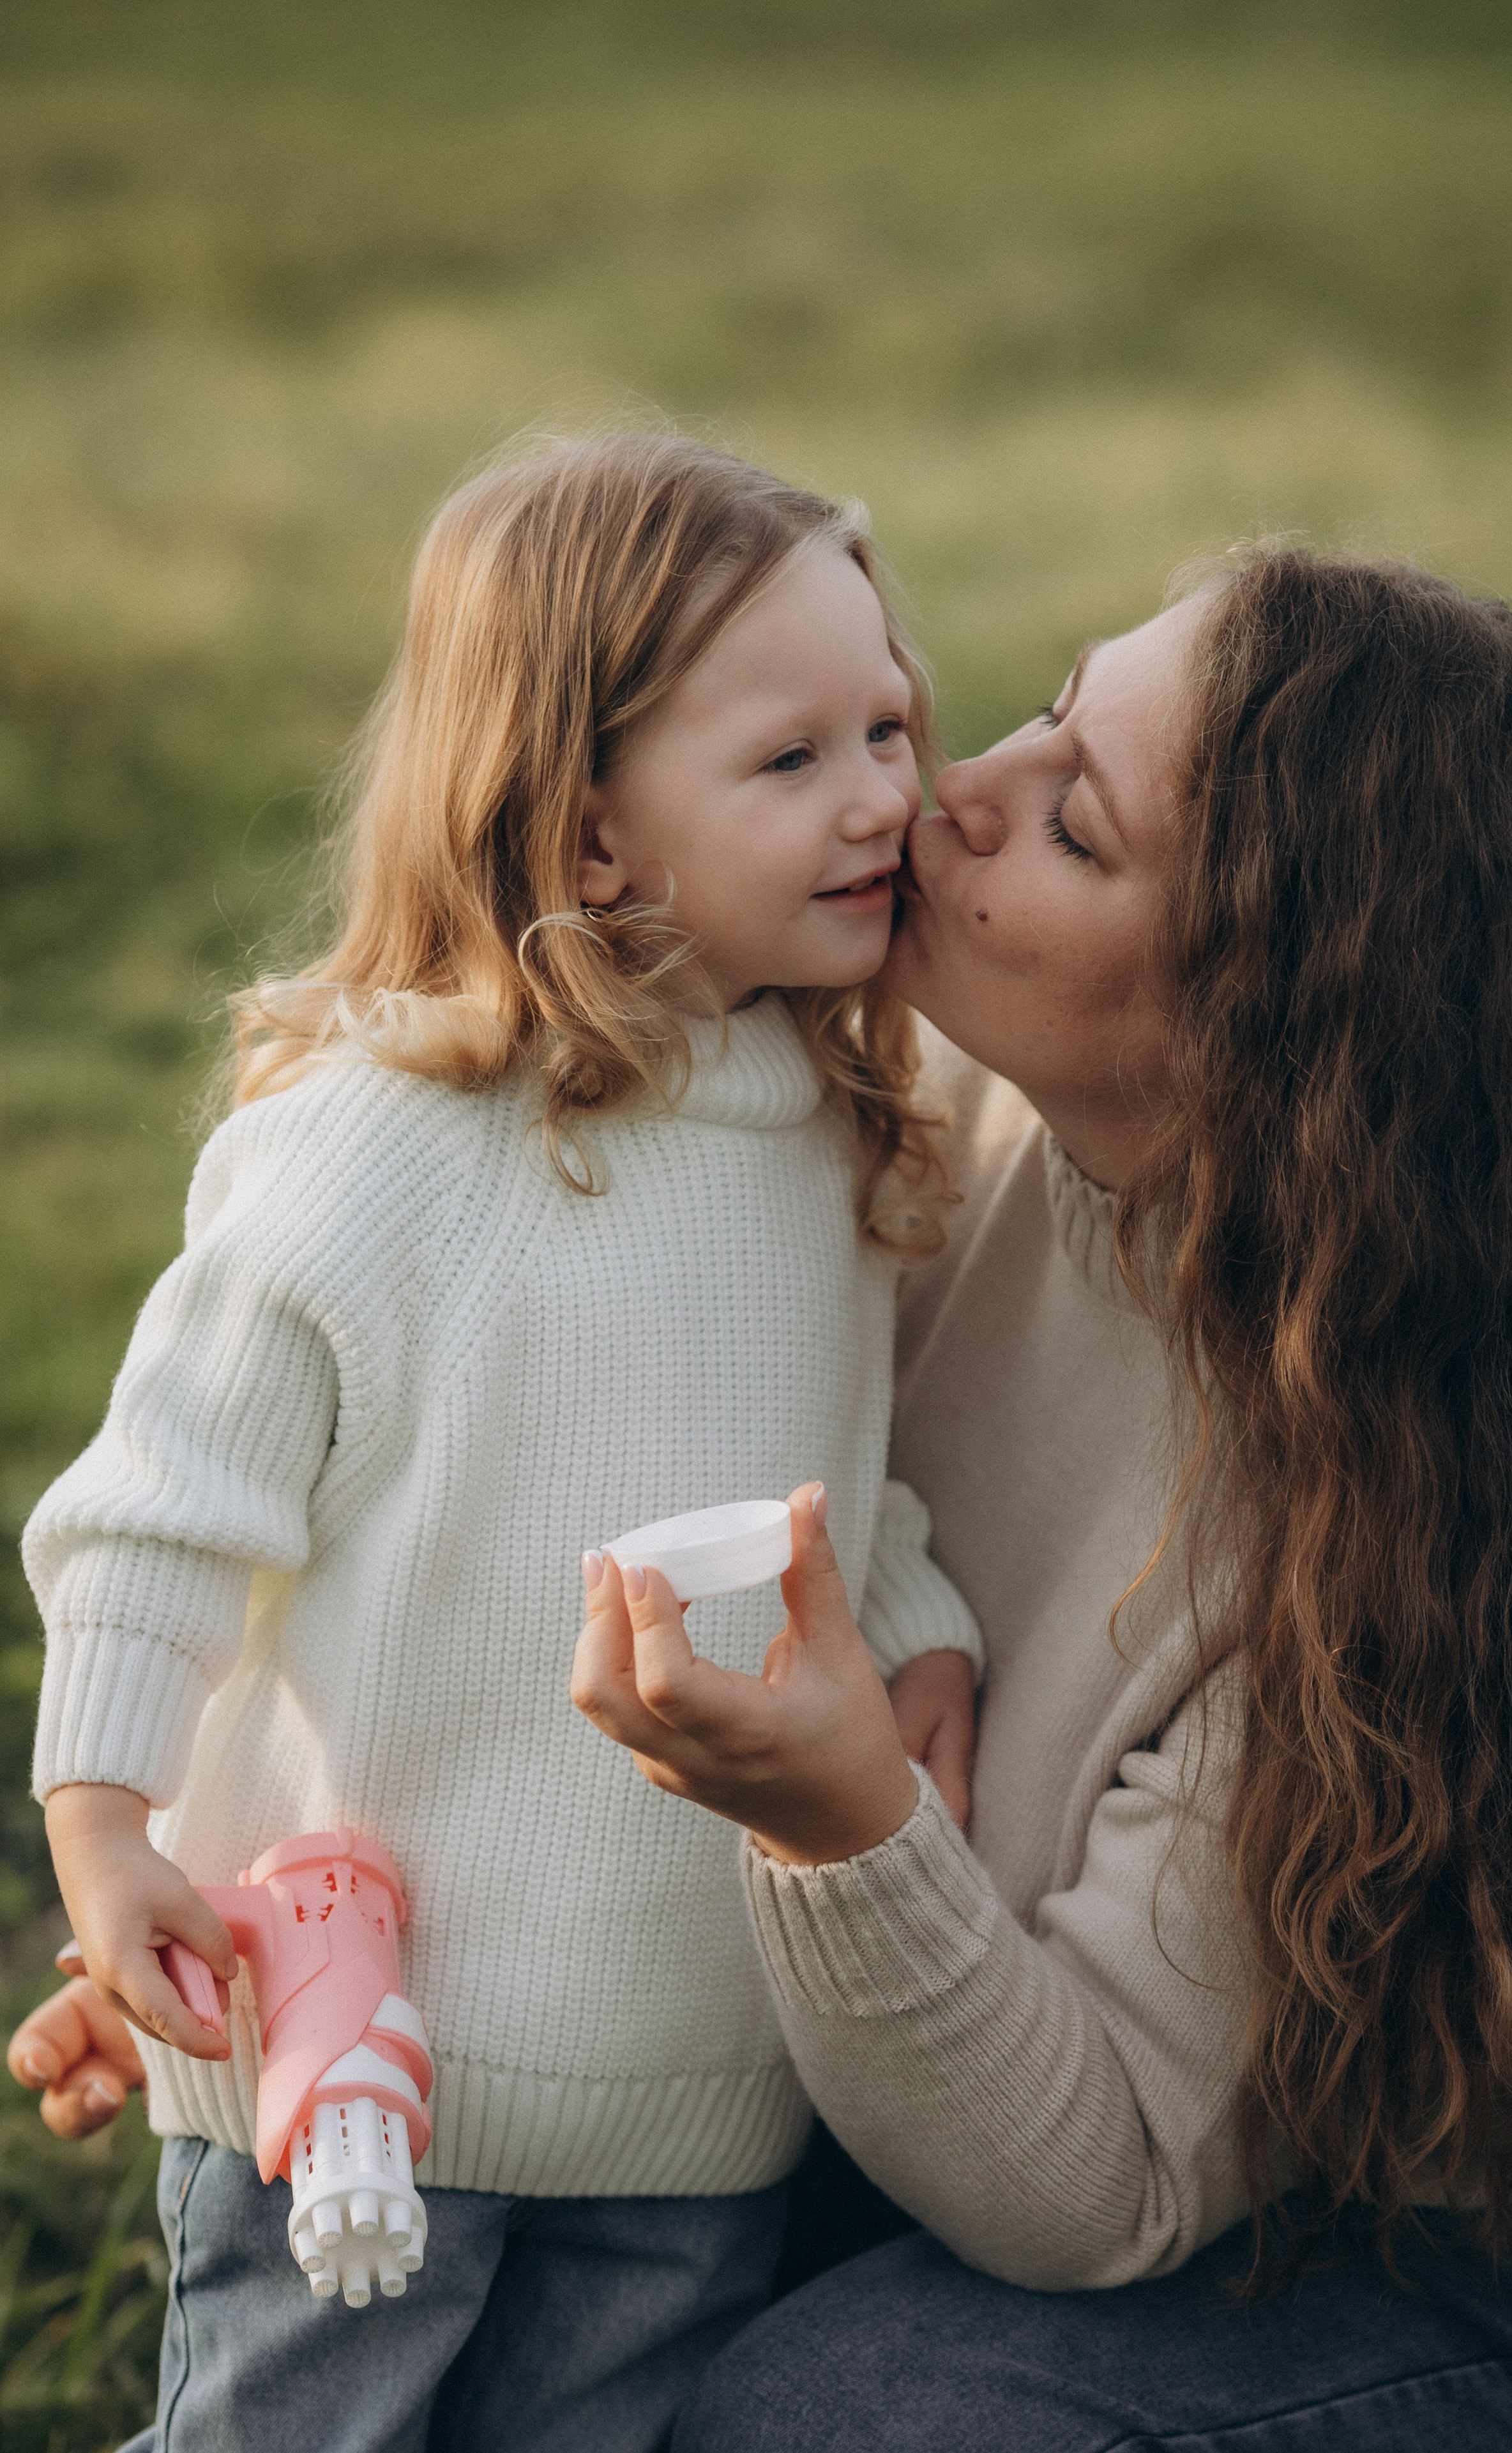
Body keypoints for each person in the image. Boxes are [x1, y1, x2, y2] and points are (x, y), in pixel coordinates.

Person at [571, 548, 1512, 2446]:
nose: (948, 786)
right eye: (1055, 704)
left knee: (838, 2412)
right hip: (1022, 2082)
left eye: (1074, 823)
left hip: (1472, 2237)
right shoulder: (938, 1119)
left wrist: (847, 1835)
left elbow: (1104, 2181)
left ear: (1267, 1036)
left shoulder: (1373, 1501)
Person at [10, 431, 985, 2453]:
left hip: (694, 2072)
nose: (888, 792)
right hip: (368, 2035)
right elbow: (161, 1506)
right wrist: (101, 1820)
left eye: (889, 723)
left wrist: (928, 1642)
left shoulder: (829, 1130)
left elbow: (838, 1480)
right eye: (792, 757)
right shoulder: (381, 1142)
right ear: (592, 831)